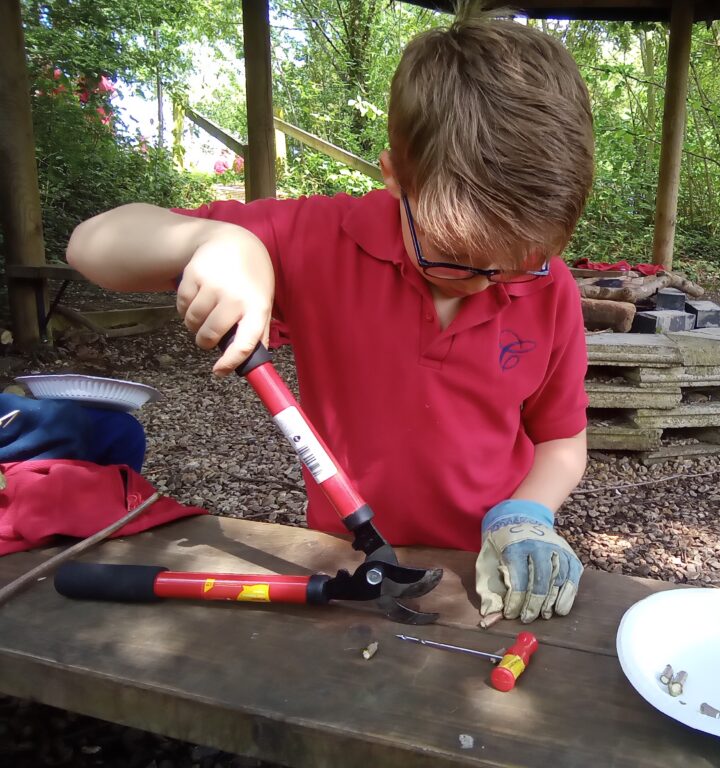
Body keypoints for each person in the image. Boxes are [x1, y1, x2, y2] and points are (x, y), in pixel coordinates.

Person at [66, 3, 594, 624]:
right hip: (345, 563)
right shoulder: (318, 239)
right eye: (456, 257)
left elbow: (561, 441)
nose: (488, 284)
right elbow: (91, 244)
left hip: (487, 570)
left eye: (518, 263)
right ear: (395, 176)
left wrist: (526, 515)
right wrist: (214, 243)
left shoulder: (549, 289)